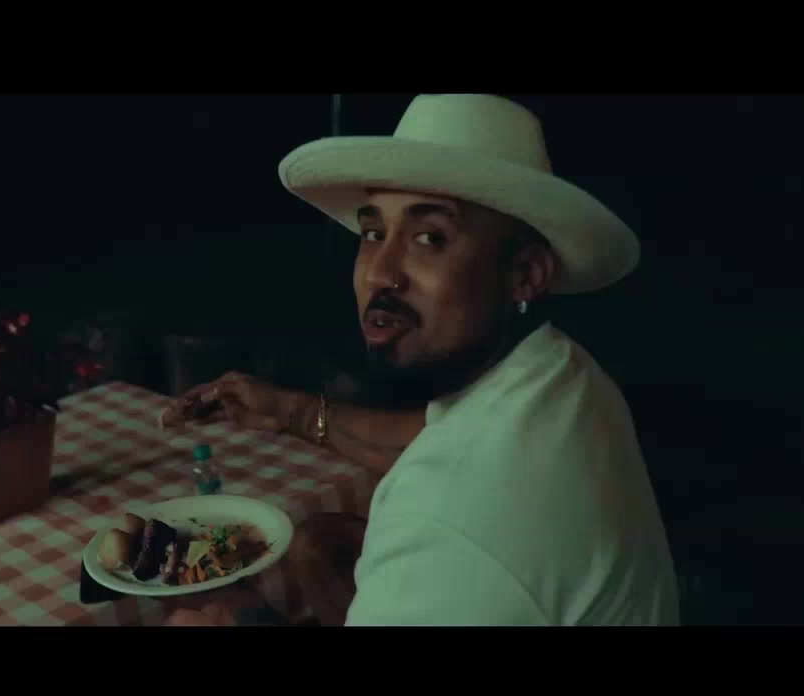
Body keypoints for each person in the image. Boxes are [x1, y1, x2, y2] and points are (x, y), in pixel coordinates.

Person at [164, 94, 679, 626]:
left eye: (430, 238)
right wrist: (292, 412)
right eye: (373, 233)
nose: (380, 273)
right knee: (319, 541)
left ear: (525, 275)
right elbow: (434, 438)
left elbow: (456, 509)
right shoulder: (560, 376)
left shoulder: (451, 526)